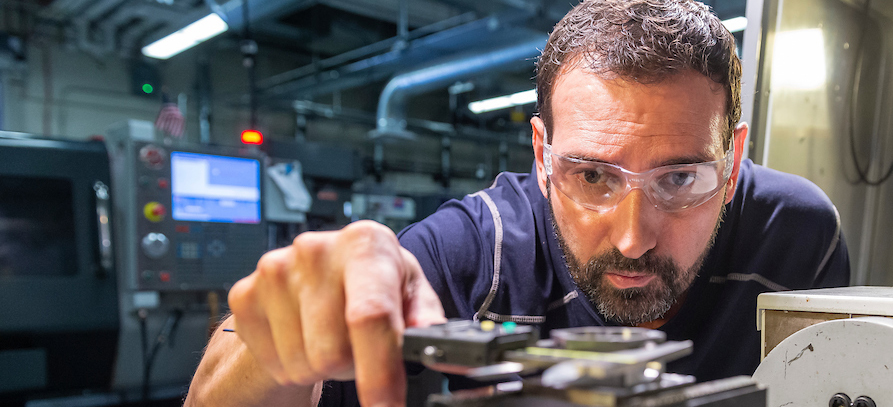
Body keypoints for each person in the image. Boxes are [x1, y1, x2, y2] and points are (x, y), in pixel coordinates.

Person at [184, 0, 849, 406]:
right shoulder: (474, 254)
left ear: (731, 161)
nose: (633, 238)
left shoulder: (798, 238)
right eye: (592, 176)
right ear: (541, 154)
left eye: (679, 179)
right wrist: (276, 348)